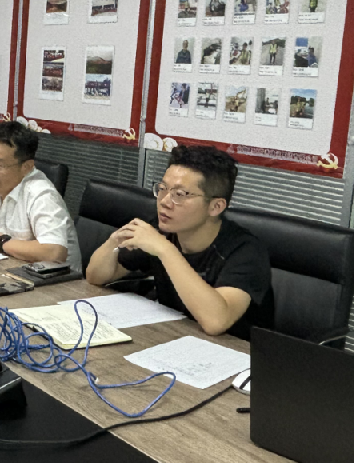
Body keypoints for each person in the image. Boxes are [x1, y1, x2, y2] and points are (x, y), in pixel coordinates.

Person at [86, 145, 273, 339]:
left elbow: (216, 322)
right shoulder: (163, 231)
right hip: (176, 336)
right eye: (162, 189)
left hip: (236, 352)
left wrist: (164, 250)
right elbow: (96, 276)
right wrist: (113, 242)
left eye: (180, 195)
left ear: (216, 206)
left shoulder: (246, 252)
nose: (164, 201)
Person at [0, 121, 81, 269]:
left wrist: (0, 244)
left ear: (26, 167)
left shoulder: (42, 195)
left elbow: (54, 252)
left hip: (56, 280)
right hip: (10, 268)